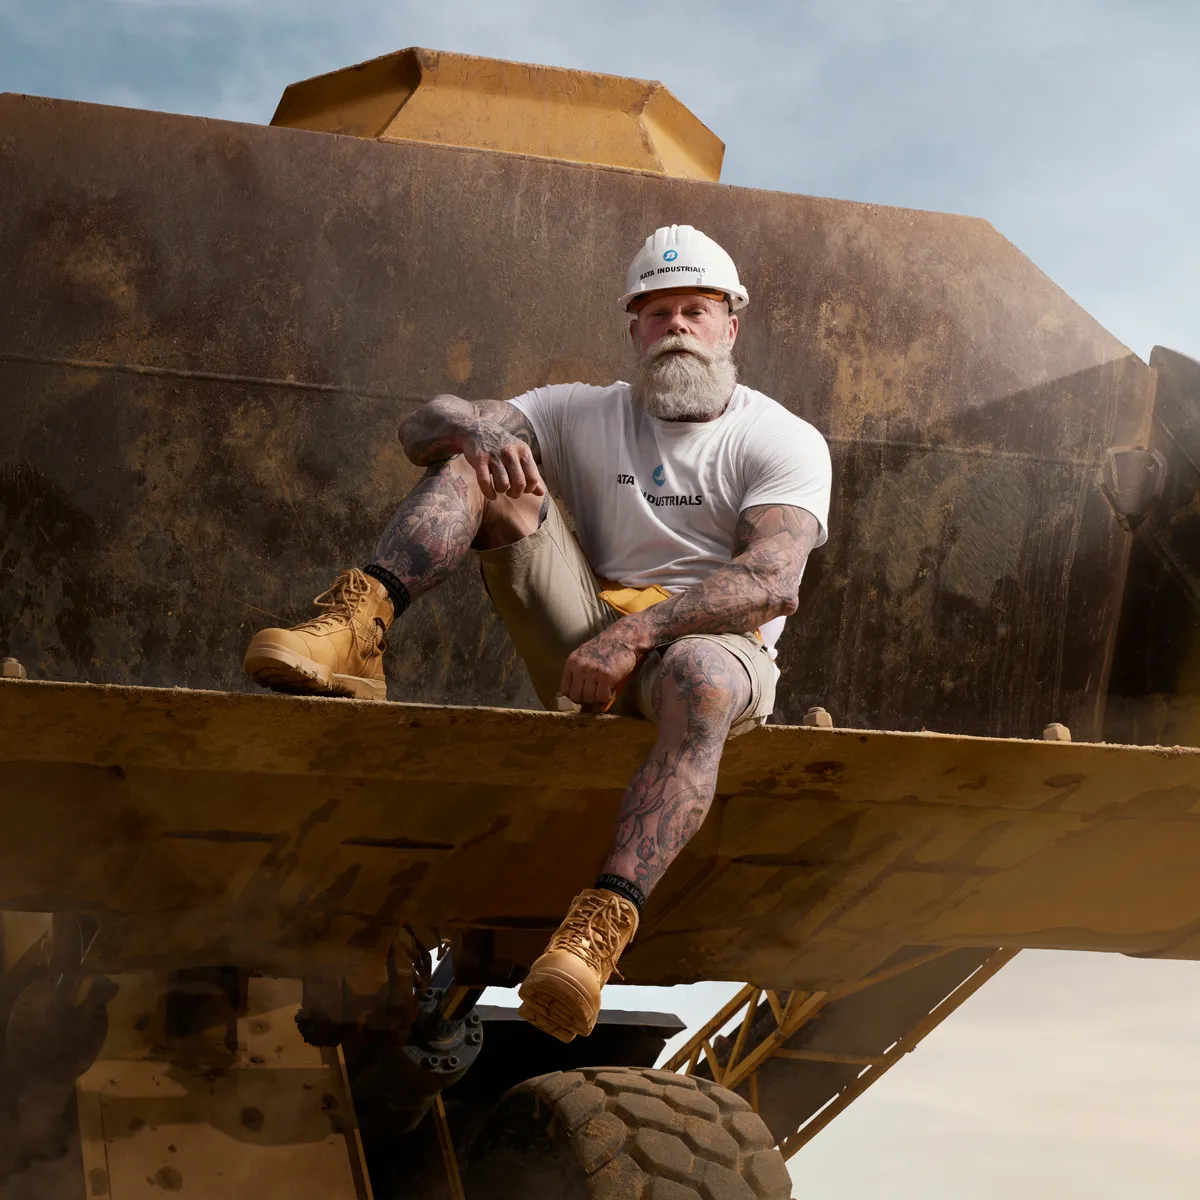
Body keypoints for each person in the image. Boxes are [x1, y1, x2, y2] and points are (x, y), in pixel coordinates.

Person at [243, 224, 832, 1043]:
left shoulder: (779, 438)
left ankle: (596, 933)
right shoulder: (576, 409)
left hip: (705, 655)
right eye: (657, 312)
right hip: (584, 636)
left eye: (695, 309)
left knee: (703, 675)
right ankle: (359, 626)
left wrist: (638, 637)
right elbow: (422, 427)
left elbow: (773, 580)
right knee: (476, 457)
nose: (677, 328)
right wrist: (472, 429)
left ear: (730, 324)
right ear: (634, 329)